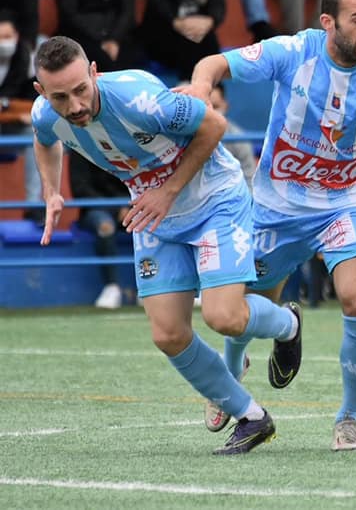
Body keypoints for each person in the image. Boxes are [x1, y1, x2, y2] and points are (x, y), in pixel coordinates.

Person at [31, 36, 304, 455]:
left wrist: (168, 191)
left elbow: (213, 125)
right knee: (168, 333)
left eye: (81, 90)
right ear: (42, 92)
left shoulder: (140, 99)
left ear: (94, 73)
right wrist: (51, 191)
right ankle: (252, 418)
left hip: (214, 198)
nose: (75, 106)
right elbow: (44, 139)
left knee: (224, 316)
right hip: (155, 213)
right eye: (60, 97)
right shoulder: (46, 112)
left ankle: (288, 325)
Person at [187, 0, 356, 452]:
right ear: (328, 22)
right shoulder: (293, 52)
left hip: (344, 204)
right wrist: (201, 88)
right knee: (239, 307)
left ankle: (349, 418)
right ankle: (232, 377)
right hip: (274, 208)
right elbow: (213, 62)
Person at [69, 152, 130, 309]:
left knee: (152, 225)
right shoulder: (78, 148)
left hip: (130, 206)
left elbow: (137, 182)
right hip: (95, 209)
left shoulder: (122, 141)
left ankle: (152, 286)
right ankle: (112, 287)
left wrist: (130, 206)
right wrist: (117, 209)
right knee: (105, 225)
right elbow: (80, 189)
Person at [0, 13, 41, 222]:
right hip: (11, 122)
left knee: (37, 134)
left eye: (7, 36)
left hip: (12, 128)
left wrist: (5, 105)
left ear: (16, 36)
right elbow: (22, 110)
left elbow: (35, 105)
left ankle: (34, 205)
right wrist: (14, 112)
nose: (3, 43)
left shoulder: (26, 60)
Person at [209, 84, 257, 189]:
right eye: (206, 106)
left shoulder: (239, 138)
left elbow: (249, 178)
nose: (211, 112)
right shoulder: (185, 138)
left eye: (216, 106)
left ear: (225, 106)